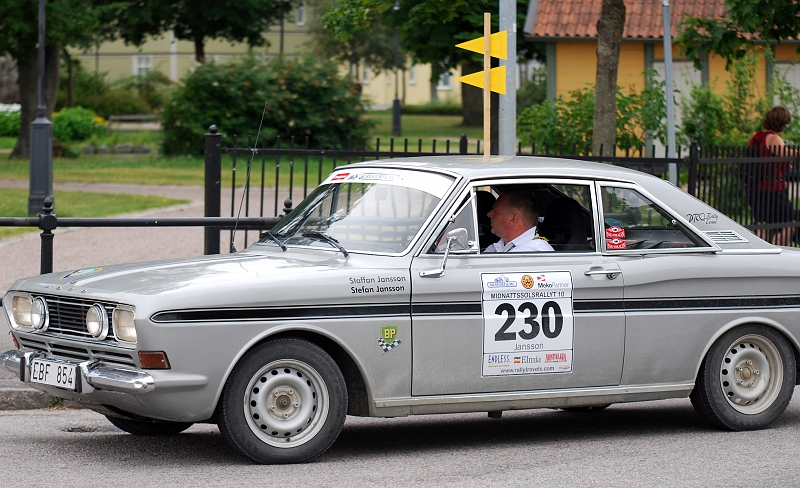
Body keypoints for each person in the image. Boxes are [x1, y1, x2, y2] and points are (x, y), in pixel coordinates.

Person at [746, 106, 797, 245]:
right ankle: (780, 248)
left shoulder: (757, 137)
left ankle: (762, 252)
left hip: (754, 188)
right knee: (791, 222)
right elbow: (785, 154)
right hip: (772, 188)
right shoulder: (774, 138)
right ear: (782, 123)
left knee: (764, 223)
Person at [484, 191, 554, 252]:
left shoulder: (534, 252)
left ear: (513, 219)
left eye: (496, 211)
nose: (489, 214)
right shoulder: (496, 247)